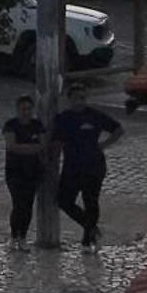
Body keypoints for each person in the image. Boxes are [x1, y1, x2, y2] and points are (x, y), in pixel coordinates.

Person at [50, 78, 123, 249]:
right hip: (72, 167)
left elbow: (117, 129)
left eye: (82, 98)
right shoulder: (63, 118)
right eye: (76, 98)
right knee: (64, 201)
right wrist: (51, 159)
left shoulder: (94, 115)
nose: (80, 101)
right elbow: (57, 142)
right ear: (69, 99)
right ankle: (90, 227)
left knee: (91, 201)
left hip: (94, 166)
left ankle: (87, 240)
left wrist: (103, 145)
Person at [1, 93, 46, 248]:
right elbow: (11, 146)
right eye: (23, 109)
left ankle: (23, 236)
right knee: (18, 203)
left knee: (28, 204)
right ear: (18, 109)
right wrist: (31, 148)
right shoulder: (11, 125)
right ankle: (14, 235)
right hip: (15, 171)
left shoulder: (37, 125)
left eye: (28, 109)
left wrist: (25, 148)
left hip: (33, 171)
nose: (26, 112)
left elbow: (42, 145)